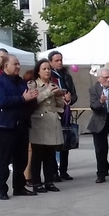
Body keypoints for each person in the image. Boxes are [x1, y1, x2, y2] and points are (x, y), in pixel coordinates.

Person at [0, 56, 39, 199]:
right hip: (4, 126)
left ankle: (19, 187)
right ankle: (2, 189)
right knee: (4, 159)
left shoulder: (22, 83)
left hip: (21, 125)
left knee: (21, 159)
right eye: (15, 64)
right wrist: (23, 99)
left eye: (19, 64)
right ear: (5, 66)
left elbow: (29, 102)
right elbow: (2, 101)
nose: (18, 66)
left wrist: (32, 99)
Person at [28, 59, 65, 192]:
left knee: (50, 154)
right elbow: (33, 101)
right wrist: (48, 91)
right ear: (38, 71)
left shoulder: (53, 84)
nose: (47, 71)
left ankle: (49, 181)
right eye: (44, 69)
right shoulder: (33, 84)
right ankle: (36, 182)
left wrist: (60, 96)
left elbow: (59, 105)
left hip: (52, 121)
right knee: (37, 154)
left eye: (49, 69)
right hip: (39, 121)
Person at [48, 51, 77, 181]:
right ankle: (53, 171)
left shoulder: (66, 76)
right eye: (56, 60)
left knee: (65, 141)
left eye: (61, 60)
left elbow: (74, 94)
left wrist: (70, 99)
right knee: (53, 142)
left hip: (65, 112)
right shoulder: (49, 76)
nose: (60, 63)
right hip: (53, 112)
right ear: (50, 62)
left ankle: (63, 170)